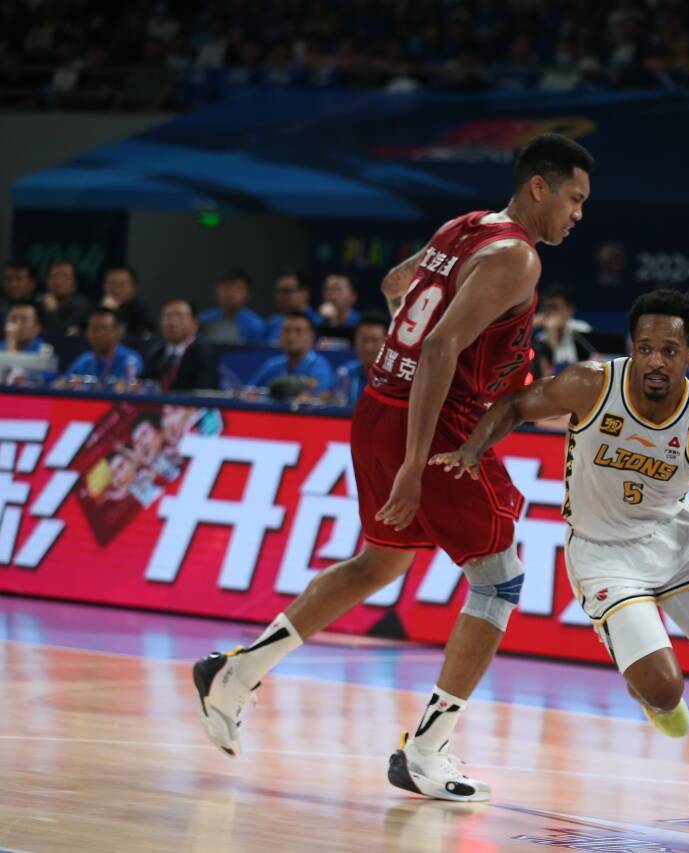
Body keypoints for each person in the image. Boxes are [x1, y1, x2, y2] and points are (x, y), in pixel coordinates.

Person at [192, 132, 594, 804]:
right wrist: (415, 462)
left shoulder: (463, 226)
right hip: (431, 428)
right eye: (574, 198)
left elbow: (394, 285)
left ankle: (234, 673)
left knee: (377, 565)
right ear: (538, 187)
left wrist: (406, 376)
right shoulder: (516, 257)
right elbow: (438, 346)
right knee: (499, 581)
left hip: (379, 403)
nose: (578, 214)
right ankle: (427, 751)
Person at [431, 288, 689, 835]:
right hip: (604, 555)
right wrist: (473, 449)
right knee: (665, 689)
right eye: (645, 348)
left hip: (678, 545)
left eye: (669, 351)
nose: (655, 361)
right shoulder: (591, 385)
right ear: (632, 347)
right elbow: (515, 405)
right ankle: (649, 691)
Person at [142, 298, 220, 391]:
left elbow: (204, 391)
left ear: (195, 322)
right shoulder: (157, 353)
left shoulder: (204, 353)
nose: (172, 323)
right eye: (167, 316)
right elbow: (142, 385)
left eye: (180, 316)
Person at [62, 307, 144, 384]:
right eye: (94, 328)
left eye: (105, 329)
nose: (99, 334)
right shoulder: (84, 360)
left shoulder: (130, 360)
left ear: (118, 332)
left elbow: (127, 387)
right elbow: (62, 384)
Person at [198, 270, 267, 344]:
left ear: (247, 293)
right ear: (217, 290)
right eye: (226, 287)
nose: (230, 293)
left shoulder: (256, 326)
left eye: (237, 289)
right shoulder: (203, 320)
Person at [533, 285, 594, 368]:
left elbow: (568, 366)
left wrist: (552, 330)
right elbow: (549, 370)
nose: (549, 312)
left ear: (569, 310)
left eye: (554, 307)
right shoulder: (540, 338)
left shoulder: (582, 329)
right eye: (545, 308)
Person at [334, 313, 389, 402]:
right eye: (364, 340)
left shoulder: (394, 380)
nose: (368, 348)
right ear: (355, 340)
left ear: (386, 343)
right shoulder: (345, 374)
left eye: (375, 340)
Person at [0, 300, 57, 384]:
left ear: (37, 328)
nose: (17, 324)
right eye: (13, 319)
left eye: (24, 320)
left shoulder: (45, 352)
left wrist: (11, 345)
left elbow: (20, 382)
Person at [264, 270, 322, 343]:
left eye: (287, 291)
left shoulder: (320, 323)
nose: (282, 296)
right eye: (278, 291)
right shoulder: (272, 322)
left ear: (305, 292)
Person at [41, 258, 92, 337]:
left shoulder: (82, 306)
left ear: (74, 284)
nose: (59, 281)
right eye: (55, 276)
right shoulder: (38, 303)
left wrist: (52, 312)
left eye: (65, 276)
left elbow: (62, 334)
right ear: (47, 281)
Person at [101, 265, 155, 337]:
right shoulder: (96, 308)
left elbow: (143, 337)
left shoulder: (143, 311)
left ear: (133, 288)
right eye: (112, 284)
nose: (117, 289)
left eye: (122, 284)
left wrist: (116, 312)